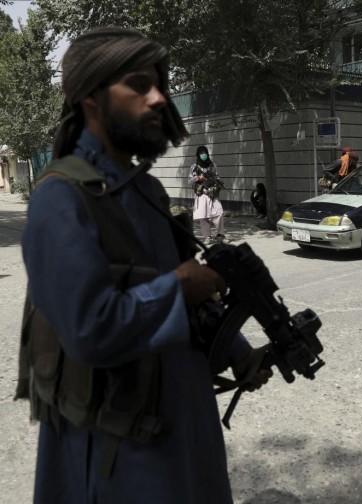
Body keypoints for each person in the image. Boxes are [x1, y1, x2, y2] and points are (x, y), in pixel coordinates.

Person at [17, 27, 271, 503]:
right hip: (122, 459)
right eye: (138, 85)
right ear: (91, 97)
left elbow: (190, 295)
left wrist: (236, 349)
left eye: (160, 86)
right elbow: (89, 329)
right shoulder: (60, 198)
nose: (158, 99)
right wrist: (178, 286)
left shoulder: (146, 190)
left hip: (185, 429)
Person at [188, 145, 226, 244]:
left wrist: (216, 181)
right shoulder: (194, 167)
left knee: (219, 213)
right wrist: (198, 178)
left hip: (212, 193)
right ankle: (207, 237)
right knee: (203, 216)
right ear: (198, 155)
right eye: (201, 153)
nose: (203, 155)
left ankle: (220, 235)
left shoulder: (213, 165)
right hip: (201, 194)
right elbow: (189, 181)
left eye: (204, 153)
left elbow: (217, 177)